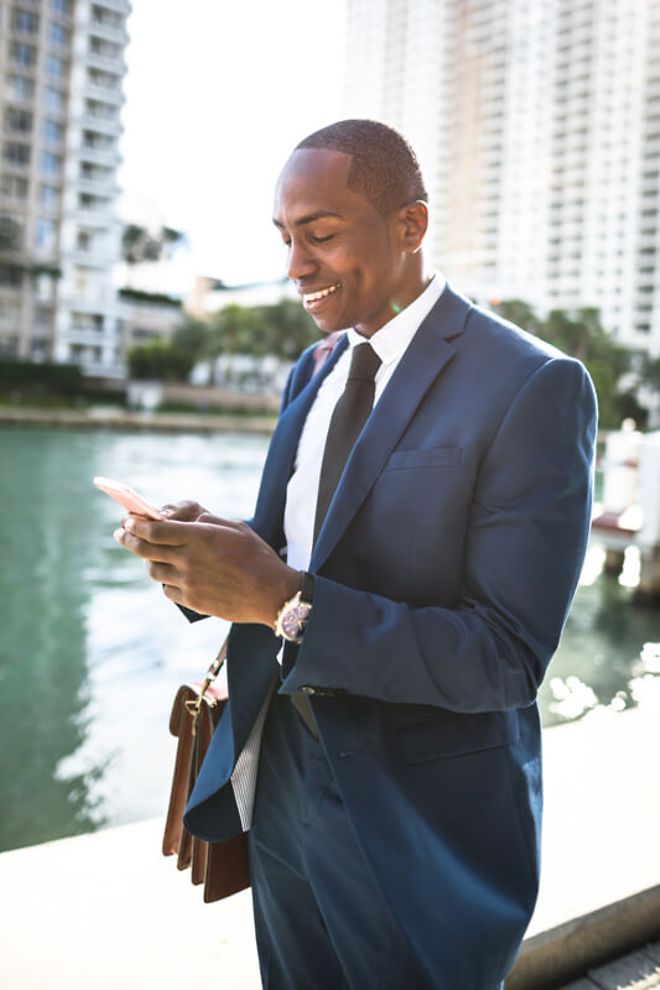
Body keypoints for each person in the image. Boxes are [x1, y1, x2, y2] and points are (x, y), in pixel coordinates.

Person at [114, 119, 597, 989]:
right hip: (281, 775)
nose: (296, 264)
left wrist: (281, 603)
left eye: (322, 235)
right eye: (285, 237)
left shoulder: (533, 384)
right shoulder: (315, 367)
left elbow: (505, 658)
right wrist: (201, 553)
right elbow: (293, 551)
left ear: (409, 227)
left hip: (418, 823)